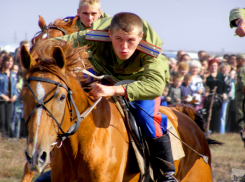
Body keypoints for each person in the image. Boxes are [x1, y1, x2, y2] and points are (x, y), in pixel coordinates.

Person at [53, 12, 175, 181]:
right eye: (118, 39)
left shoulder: (152, 50)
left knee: (146, 118)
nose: (124, 47)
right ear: (109, 34)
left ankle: (166, 173)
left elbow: (154, 86)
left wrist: (113, 90)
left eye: (130, 40)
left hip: (139, 84)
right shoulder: (94, 36)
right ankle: (53, 161)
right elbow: (57, 43)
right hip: (103, 74)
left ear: (140, 37)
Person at [205, 59, 228, 133]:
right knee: (209, 114)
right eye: (212, 66)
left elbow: (225, 86)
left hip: (219, 99)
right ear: (209, 67)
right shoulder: (207, 76)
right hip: (209, 99)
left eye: (215, 66)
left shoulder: (221, 75)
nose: (213, 67)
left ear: (217, 66)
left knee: (218, 116)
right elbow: (204, 86)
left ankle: (217, 131)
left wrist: (225, 93)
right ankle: (208, 131)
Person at [0, 54, 18, 138]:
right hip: (1, 101)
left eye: (11, 61)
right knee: (2, 120)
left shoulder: (14, 75)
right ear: (4, 62)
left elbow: (15, 88)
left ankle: (6, 137)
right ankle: (3, 136)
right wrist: (2, 95)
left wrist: (15, 95)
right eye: (8, 61)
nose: (10, 63)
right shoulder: (1, 74)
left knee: (8, 120)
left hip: (10, 101)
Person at [235, 54, 245, 131]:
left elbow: (242, 81)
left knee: (240, 112)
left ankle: (241, 129)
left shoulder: (242, 69)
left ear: (240, 60)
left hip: (241, 95)